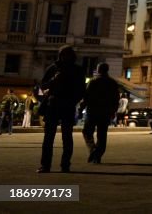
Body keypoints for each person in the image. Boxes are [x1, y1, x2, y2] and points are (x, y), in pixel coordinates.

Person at [38, 45, 86, 173]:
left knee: (67, 137)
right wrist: (54, 79)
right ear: (60, 55)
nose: (66, 57)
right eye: (63, 54)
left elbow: (81, 90)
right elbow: (43, 85)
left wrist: (73, 101)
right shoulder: (53, 68)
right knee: (49, 137)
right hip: (53, 105)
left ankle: (65, 165)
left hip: (67, 105)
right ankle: (45, 165)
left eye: (68, 55)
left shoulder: (77, 70)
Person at [82, 63, 120, 163]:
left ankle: (92, 149)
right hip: (106, 112)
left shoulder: (93, 81)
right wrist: (113, 111)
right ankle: (97, 155)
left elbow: (86, 96)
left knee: (87, 131)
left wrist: (81, 107)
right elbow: (116, 99)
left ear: (98, 70)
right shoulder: (112, 83)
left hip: (93, 111)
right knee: (102, 134)